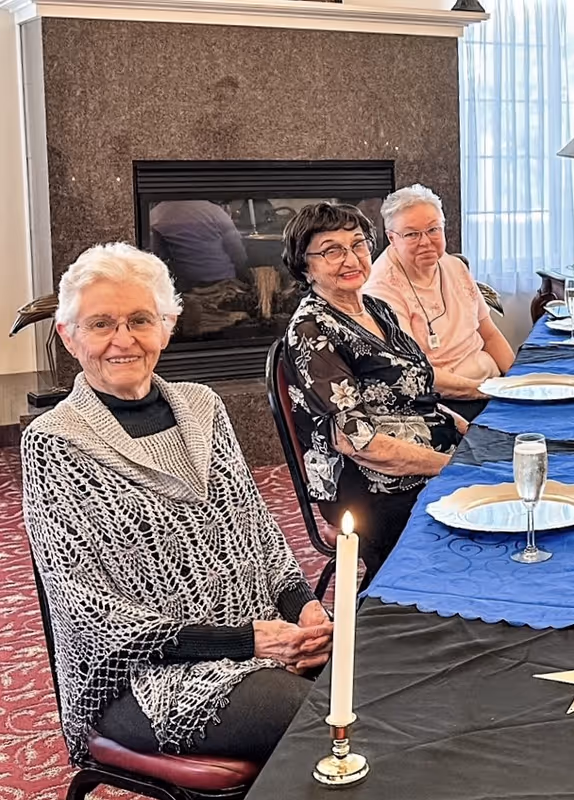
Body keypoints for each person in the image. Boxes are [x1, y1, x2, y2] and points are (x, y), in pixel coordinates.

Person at [21, 243, 331, 764]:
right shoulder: (55, 443)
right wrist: (247, 642)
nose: (123, 340)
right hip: (143, 681)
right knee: (330, 719)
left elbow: (261, 534)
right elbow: (93, 618)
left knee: (386, 680)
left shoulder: (203, 407)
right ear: (68, 335)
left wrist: (306, 608)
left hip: (264, 640)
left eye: (141, 319)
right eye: (100, 324)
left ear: (167, 326)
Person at [281, 203, 465, 581]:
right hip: (371, 489)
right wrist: (458, 467)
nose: (351, 258)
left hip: (427, 457)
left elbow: (418, 382)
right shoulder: (311, 331)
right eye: (332, 250)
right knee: (495, 509)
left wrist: (468, 431)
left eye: (358, 244)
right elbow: (360, 444)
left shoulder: (376, 308)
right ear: (305, 266)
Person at [365, 184, 515, 421]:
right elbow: (415, 372)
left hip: (490, 386)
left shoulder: (454, 267)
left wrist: (517, 383)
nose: (425, 241)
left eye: (433, 229)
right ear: (392, 238)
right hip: (443, 402)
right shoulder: (380, 290)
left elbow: (490, 335)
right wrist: (489, 392)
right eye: (412, 234)